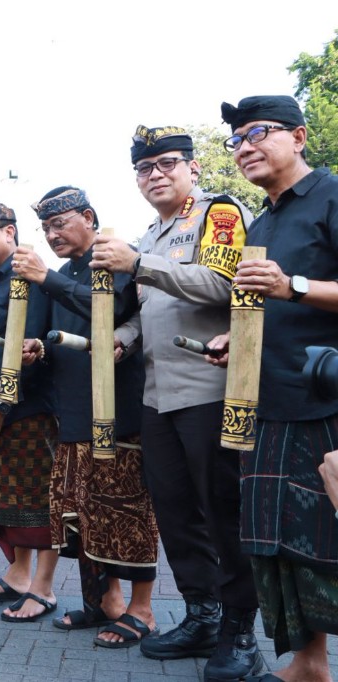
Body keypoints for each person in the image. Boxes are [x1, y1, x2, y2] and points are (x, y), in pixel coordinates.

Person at [90, 126, 262, 678]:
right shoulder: (150, 236)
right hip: (158, 396)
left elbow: (223, 282)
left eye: (167, 163)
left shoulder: (219, 214)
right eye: (145, 168)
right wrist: (124, 337)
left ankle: (240, 630)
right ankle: (201, 615)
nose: (155, 175)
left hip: (212, 390)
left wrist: (137, 265)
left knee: (222, 512)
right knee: (175, 512)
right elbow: (154, 311)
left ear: (193, 168)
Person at [208, 95, 338, 682]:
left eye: (257, 133)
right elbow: (261, 308)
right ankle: (309, 662)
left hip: (326, 401)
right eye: (236, 139)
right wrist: (235, 339)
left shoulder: (332, 197)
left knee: (327, 541)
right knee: (278, 543)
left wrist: (295, 285)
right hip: (267, 404)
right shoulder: (259, 223)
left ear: (299, 136)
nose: (244, 147)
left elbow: (290, 291)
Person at [13, 187, 159, 648]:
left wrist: (45, 278)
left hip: (119, 412)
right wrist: (40, 348)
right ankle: (104, 602)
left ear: (90, 218)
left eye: (59, 224)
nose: (51, 234)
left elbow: (109, 311)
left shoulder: (114, 256)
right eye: (45, 228)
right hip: (73, 413)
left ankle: (143, 609)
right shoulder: (62, 274)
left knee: (127, 510)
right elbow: (67, 333)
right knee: (82, 513)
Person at [0, 201, 60, 623]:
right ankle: (19, 576)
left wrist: (4, 404)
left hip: (29, 408)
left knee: (39, 499)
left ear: (10, 232)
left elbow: (38, 346)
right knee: (6, 499)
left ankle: (44, 587)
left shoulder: (32, 278)